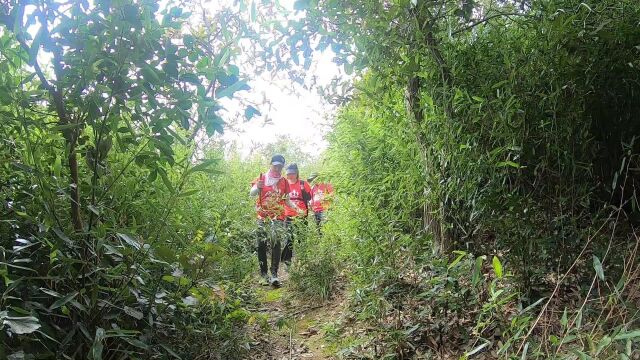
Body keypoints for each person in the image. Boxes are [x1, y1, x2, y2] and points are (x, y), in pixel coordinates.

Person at [250, 155, 302, 286]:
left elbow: (287, 200)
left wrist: (297, 208)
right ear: (271, 164)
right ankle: (263, 274)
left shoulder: (284, 182)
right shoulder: (262, 178)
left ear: (282, 167)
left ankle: (274, 274)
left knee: (276, 243)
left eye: (280, 166)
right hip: (262, 216)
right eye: (275, 165)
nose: (277, 168)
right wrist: (258, 187)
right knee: (261, 244)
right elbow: (252, 193)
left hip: (277, 216)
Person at [281, 163, 312, 270]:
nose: (290, 176)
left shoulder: (303, 184)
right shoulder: (284, 184)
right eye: (288, 173)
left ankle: (304, 260)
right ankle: (287, 262)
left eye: (292, 173)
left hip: (302, 215)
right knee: (289, 239)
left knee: (302, 238)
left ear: (296, 173)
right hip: (288, 215)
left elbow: (310, 198)